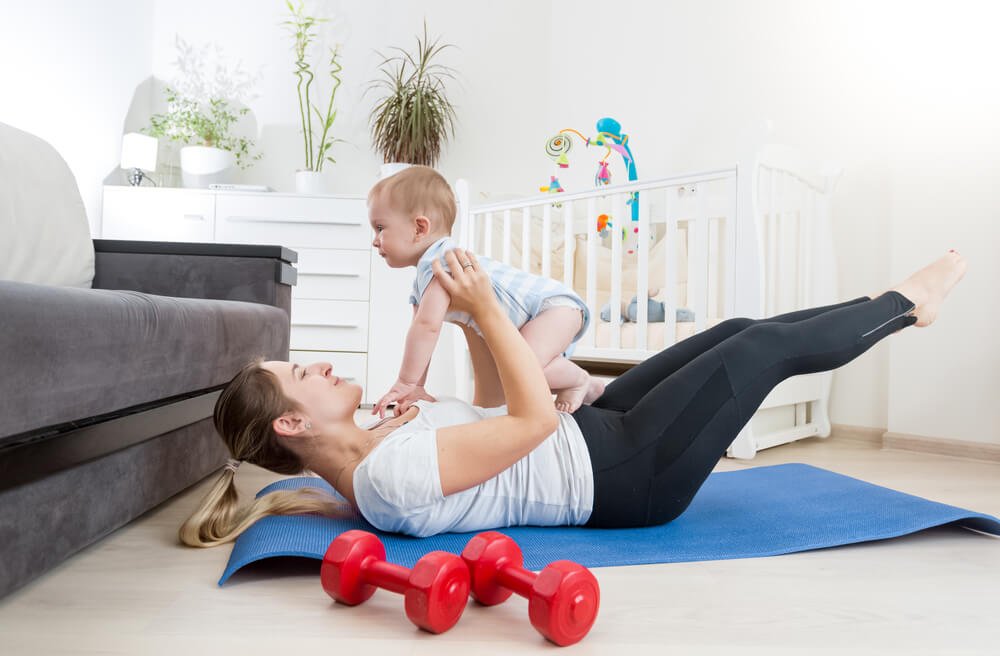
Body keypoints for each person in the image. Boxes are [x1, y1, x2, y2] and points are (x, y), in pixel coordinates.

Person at [180, 247, 966, 546]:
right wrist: (489, 308)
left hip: (597, 431)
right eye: (302, 374)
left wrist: (467, 328)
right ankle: (903, 307)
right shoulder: (386, 482)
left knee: (734, 329)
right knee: (758, 353)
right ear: (291, 420)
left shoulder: (382, 438)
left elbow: (493, 405)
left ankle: (864, 310)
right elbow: (524, 419)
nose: (319, 366)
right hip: (628, 477)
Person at [368, 165, 604, 416]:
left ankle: (580, 380)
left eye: (380, 228)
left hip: (551, 307)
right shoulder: (423, 279)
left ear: (419, 228)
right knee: (518, 372)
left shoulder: (443, 262)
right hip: (542, 313)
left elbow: (427, 328)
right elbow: (420, 333)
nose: (374, 240)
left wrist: (405, 382)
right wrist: (416, 386)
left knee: (522, 370)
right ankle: (584, 386)